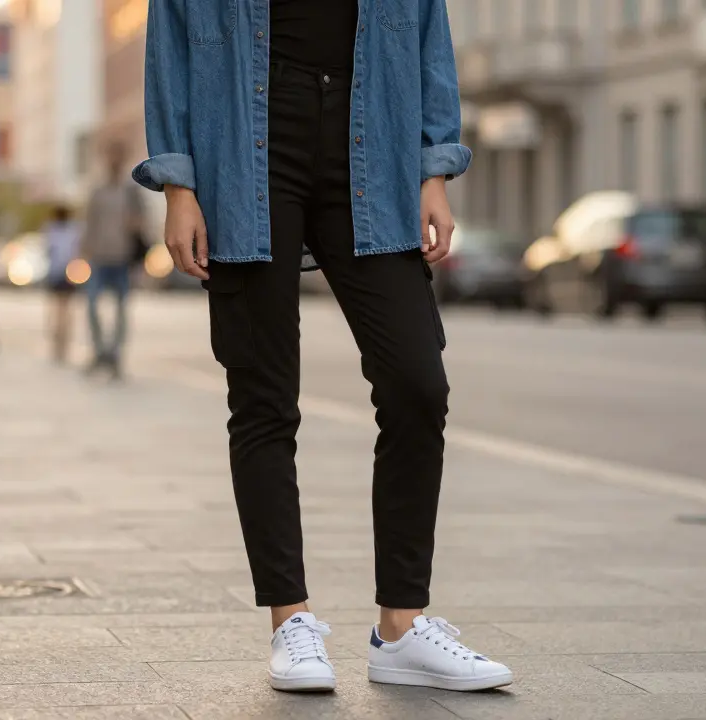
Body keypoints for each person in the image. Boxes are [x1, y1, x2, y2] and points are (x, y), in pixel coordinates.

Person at [136, 0, 512, 694]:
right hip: (245, 153)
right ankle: (291, 621)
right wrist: (179, 186)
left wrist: (434, 167)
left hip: (373, 147)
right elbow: (173, 46)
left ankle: (400, 627)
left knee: (417, 382)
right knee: (263, 398)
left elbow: (428, 32)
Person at [79, 144, 143, 380]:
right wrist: (84, 251)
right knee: (92, 305)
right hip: (99, 257)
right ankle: (99, 352)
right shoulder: (97, 190)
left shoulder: (131, 191)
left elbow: (142, 223)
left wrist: (134, 224)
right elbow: (89, 222)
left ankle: (115, 356)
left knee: (121, 310)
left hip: (123, 257)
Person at [43, 206, 83, 364]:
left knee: (58, 309)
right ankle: (62, 340)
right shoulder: (74, 231)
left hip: (57, 273)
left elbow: (48, 251)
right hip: (67, 273)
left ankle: (58, 341)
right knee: (65, 309)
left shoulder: (51, 231)